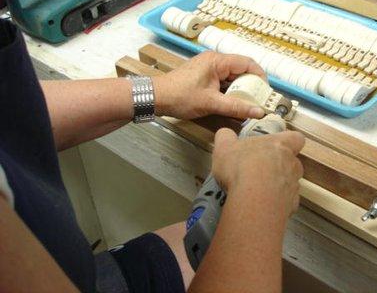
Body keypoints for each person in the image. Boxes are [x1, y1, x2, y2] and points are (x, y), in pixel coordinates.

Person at [0, 18, 305, 293]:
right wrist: (258, 201)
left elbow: (13, 115)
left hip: (64, 269)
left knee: (194, 247)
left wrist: (159, 92)